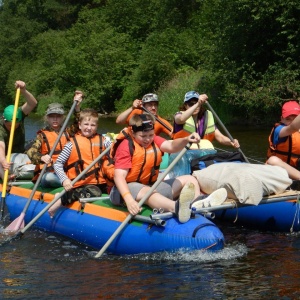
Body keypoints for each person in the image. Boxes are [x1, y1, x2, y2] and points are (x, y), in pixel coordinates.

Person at [109, 113, 227, 224]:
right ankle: (176, 208)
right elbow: (119, 176)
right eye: (143, 136)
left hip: (150, 187)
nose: (147, 139)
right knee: (148, 192)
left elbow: (171, 146)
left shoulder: (153, 140)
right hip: (125, 191)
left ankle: (196, 204)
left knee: (190, 179)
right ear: (133, 133)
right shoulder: (126, 146)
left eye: (150, 135)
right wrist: (129, 200)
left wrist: (186, 139)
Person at [49, 108, 110, 217]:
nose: (89, 128)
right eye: (86, 124)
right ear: (80, 125)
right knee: (95, 191)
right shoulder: (71, 144)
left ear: (97, 126)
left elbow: (114, 152)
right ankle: (61, 198)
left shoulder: (104, 140)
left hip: (102, 182)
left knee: (115, 189)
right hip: (81, 183)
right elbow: (57, 164)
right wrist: (64, 180)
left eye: (93, 125)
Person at [26, 91, 83, 188]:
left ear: (62, 118)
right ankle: (71, 185)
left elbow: (80, 123)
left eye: (58, 116)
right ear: (47, 118)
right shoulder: (42, 135)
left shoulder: (69, 132)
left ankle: (71, 183)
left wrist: (77, 107)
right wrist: (41, 157)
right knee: (49, 178)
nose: (55, 119)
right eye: (52, 116)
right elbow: (31, 152)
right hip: (49, 173)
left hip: (66, 172)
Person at [173, 91, 240, 148]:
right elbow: (181, 119)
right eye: (191, 104)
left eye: (196, 103)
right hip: (181, 154)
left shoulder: (205, 119)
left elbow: (220, 138)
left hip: (201, 154)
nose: (195, 106)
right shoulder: (179, 115)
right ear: (185, 105)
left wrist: (231, 142)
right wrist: (198, 103)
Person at [0, 80, 37, 180]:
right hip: (4, 155)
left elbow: (32, 103)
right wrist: (3, 160)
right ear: (4, 120)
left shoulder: (19, 113)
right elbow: (1, 147)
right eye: (10, 125)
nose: (13, 127)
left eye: (16, 124)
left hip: (20, 152)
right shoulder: (0, 127)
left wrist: (23, 90)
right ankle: (6, 180)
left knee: (37, 144)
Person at [266, 100, 300, 180]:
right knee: (273, 160)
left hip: (295, 170)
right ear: (282, 119)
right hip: (278, 172)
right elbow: (292, 127)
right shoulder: (278, 130)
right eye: (288, 119)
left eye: (295, 119)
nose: (291, 122)